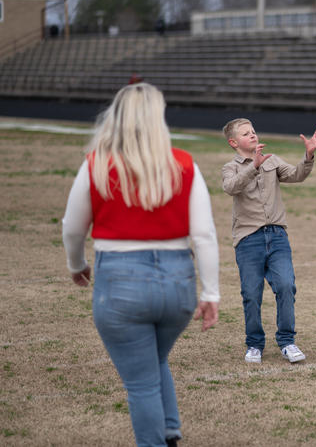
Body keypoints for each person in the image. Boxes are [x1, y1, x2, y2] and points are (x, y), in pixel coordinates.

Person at [62, 82, 220, 447]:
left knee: (141, 382)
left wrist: (76, 265)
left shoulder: (97, 163)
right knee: (152, 363)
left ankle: (158, 439)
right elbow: (205, 235)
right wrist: (211, 291)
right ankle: (170, 433)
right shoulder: (184, 163)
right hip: (177, 282)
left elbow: (72, 227)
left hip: (120, 282)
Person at [221, 118, 316, 364]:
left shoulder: (273, 160)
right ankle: (254, 344)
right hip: (248, 239)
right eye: (246, 134)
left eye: (254, 131)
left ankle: (287, 342)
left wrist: (308, 156)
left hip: (277, 237)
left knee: (286, 286)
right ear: (234, 142)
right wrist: (253, 166)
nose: (253, 135)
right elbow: (230, 187)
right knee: (251, 294)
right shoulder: (230, 167)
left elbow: (297, 175)